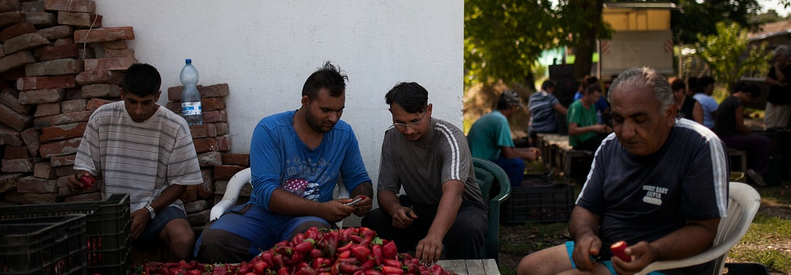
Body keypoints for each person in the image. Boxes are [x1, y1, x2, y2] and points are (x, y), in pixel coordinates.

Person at [517, 67, 729, 275]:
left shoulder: (699, 145)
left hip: (665, 263)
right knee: (528, 267)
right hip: (607, 251)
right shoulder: (610, 146)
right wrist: (585, 235)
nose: (626, 133)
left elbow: (704, 230)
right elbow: (586, 209)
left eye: (640, 120)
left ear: (669, 114)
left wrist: (654, 251)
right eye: (618, 120)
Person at [194, 62, 373, 263]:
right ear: (305, 101)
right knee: (214, 240)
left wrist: (362, 198)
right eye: (325, 110)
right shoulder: (271, 129)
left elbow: (358, 179)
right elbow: (265, 192)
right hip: (262, 216)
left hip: (307, 222)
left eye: (339, 110)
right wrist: (323, 209)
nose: (333, 117)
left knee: (313, 237)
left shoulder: (343, 134)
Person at [68, 63, 203, 261]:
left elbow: (181, 183)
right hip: (115, 209)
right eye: (132, 101)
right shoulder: (101, 118)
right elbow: (86, 168)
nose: (138, 110)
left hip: (158, 206)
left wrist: (148, 210)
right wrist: (81, 179)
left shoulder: (175, 126)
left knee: (183, 238)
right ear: (121, 94)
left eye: (146, 103)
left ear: (157, 97)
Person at [362, 82, 488, 263]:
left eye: (415, 121)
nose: (409, 130)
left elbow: (454, 193)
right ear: (392, 114)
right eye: (400, 122)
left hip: (462, 208)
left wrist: (434, 236)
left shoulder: (450, 137)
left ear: (428, 110)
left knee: (467, 228)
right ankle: (397, 268)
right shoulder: (392, 137)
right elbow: (386, 191)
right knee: (375, 220)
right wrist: (396, 209)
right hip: (420, 210)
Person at [467, 90, 540, 187]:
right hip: (480, 167)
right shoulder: (501, 120)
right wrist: (528, 155)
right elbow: (509, 154)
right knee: (517, 164)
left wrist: (528, 150)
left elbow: (504, 150)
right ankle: (511, 195)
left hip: (475, 163)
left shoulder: (493, 116)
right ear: (511, 107)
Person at [715, 82, 771, 187]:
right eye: (751, 100)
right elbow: (740, 126)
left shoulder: (729, 99)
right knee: (764, 141)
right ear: (749, 95)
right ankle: (757, 170)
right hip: (729, 137)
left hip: (722, 135)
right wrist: (751, 135)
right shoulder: (738, 103)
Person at [568, 83, 612, 151]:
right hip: (580, 141)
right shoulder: (577, 107)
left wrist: (603, 128)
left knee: (611, 139)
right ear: (587, 94)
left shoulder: (592, 106)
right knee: (605, 145)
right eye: (595, 97)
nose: (596, 100)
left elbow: (594, 124)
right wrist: (592, 128)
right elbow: (572, 130)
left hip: (591, 137)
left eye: (598, 98)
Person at [764, 45, 791, 130]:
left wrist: (777, 69)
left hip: (785, 100)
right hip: (773, 98)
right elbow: (768, 80)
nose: (777, 59)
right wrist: (777, 83)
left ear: (787, 56)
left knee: (779, 124)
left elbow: (782, 78)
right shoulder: (776, 66)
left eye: (779, 56)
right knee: (768, 121)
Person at [527, 80, 569, 144]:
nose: (552, 93)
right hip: (548, 129)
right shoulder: (549, 97)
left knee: (530, 129)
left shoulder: (532, 97)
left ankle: (531, 147)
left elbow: (530, 111)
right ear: (548, 88)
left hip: (533, 128)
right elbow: (562, 111)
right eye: (552, 90)